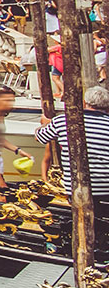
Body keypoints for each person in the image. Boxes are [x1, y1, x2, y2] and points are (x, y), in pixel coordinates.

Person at [36, 83, 109, 215]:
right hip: (106, 188)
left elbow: (40, 137)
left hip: (76, 188)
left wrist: (45, 124)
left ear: (85, 102)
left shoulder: (63, 121)